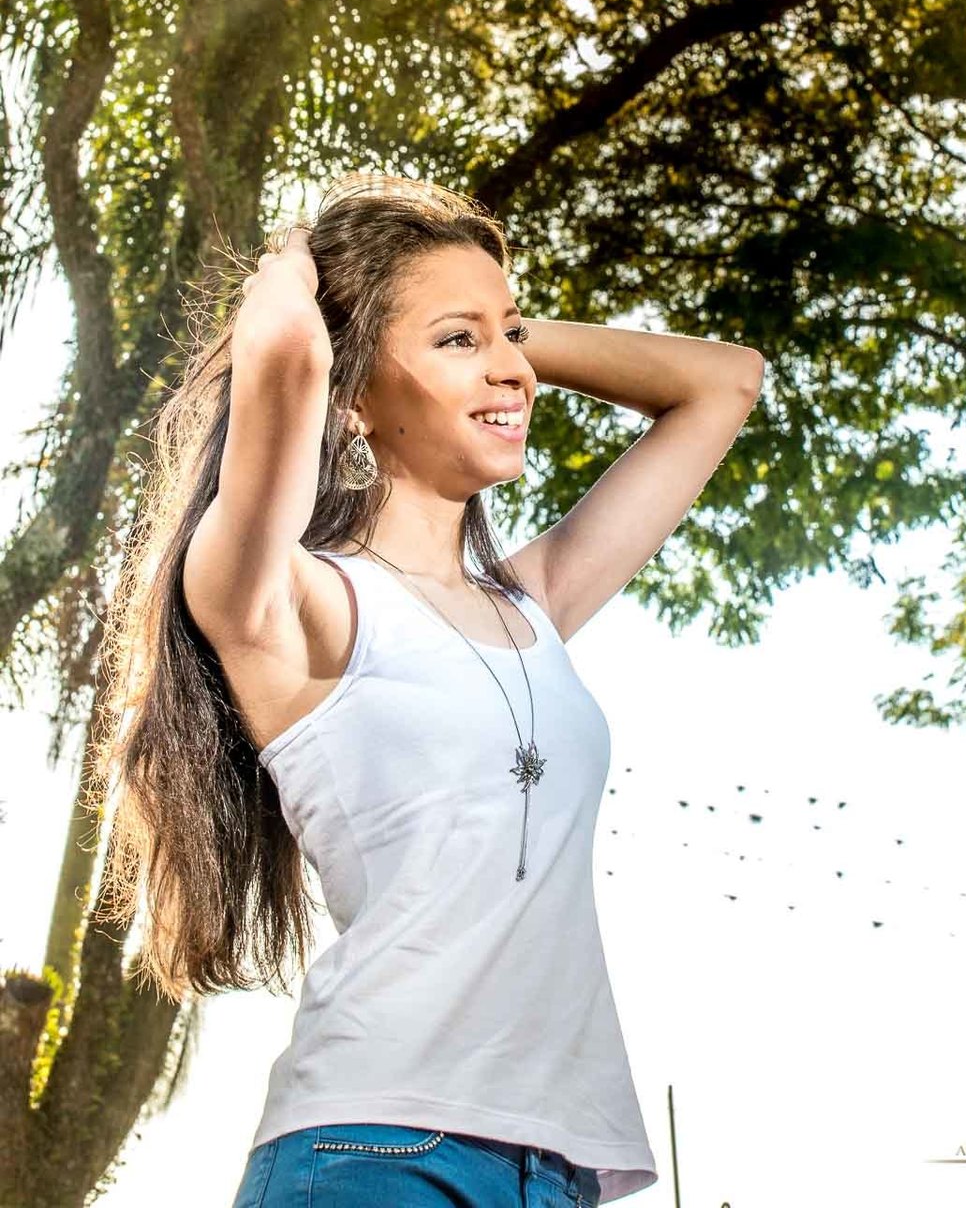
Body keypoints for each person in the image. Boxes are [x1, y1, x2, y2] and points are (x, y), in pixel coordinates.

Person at [89, 171, 764, 1207]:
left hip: (559, 1164)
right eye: (459, 342)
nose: (514, 371)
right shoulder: (291, 606)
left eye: (515, 336)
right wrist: (293, 259)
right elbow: (282, 349)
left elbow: (724, 381)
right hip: (379, 1153)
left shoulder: (532, 603)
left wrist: (494, 332)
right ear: (354, 395)